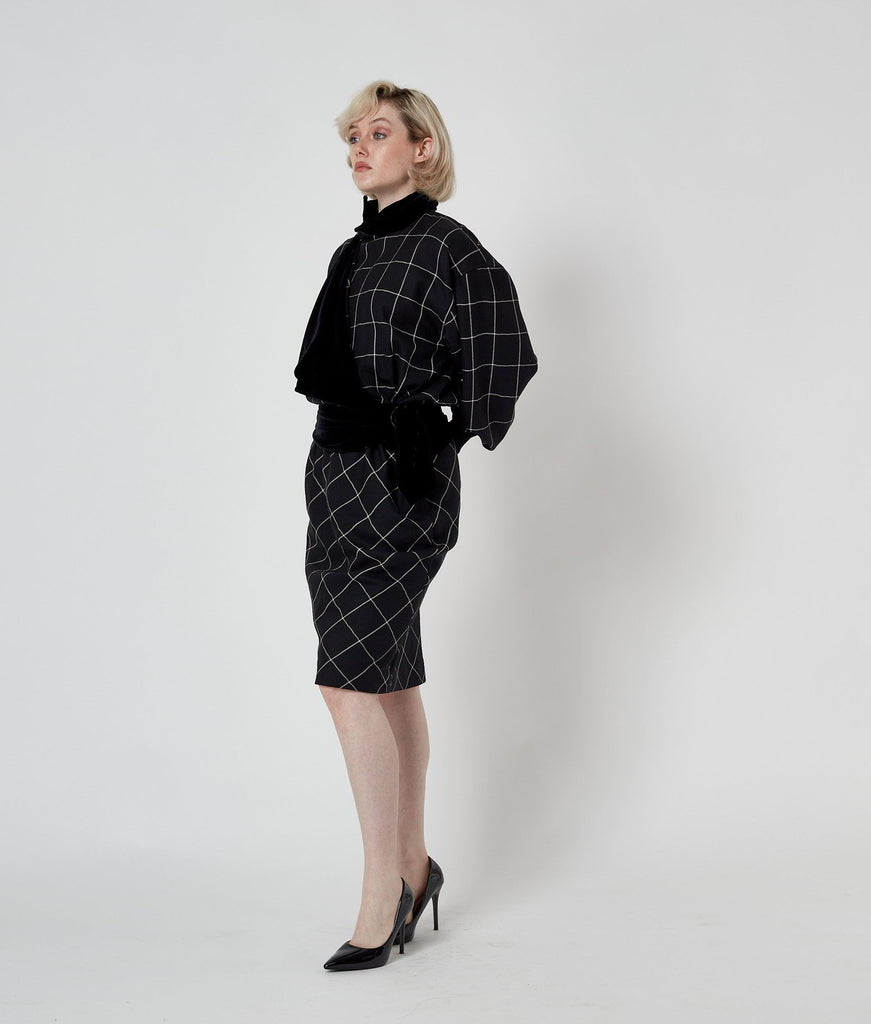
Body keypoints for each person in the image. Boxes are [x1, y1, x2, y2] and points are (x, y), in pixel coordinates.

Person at [294, 80, 537, 972]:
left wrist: (443, 430)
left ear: (422, 148)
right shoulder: (353, 252)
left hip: (400, 482)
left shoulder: (451, 248)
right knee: (385, 677)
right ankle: (413, 867)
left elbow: (507, 354)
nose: (359, 150)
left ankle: (381, 893)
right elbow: (329, 372)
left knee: (347, 679)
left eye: (377, 134)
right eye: (351, 138)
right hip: (334, 473)